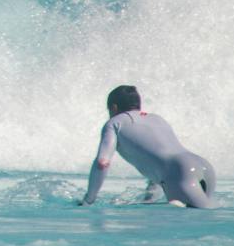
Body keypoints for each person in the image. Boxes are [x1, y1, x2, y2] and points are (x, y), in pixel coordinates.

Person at [77, 85, 219, 208]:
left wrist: (88, 200)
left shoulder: (115, 123)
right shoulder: (157, 119)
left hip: (181, 172)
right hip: (203, 166)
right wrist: (149, 198)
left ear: (113, 108)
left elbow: (102, 163)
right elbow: (158, 161)